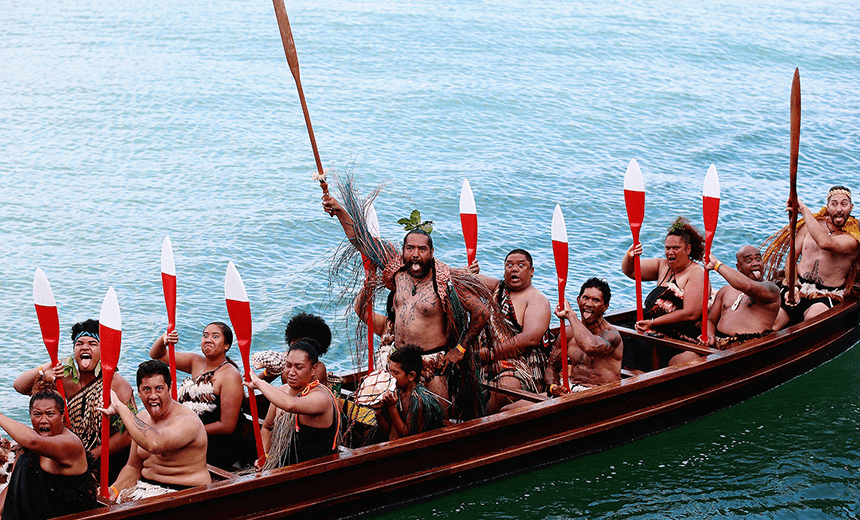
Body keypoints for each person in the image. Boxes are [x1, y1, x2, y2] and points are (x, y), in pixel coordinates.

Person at [323, 191, 506, 420]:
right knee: (390, 420)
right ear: (403, 251)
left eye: (422, 249)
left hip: (432, 366)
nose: (416, 254)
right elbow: (361, 239)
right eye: (410, 248)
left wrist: (460, 349)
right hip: (398, 364)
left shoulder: (446, 281)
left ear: (431, 253)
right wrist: (339, 209)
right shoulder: (396, 271)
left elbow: (481, 313)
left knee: (439, 421)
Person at [12, 319, 135, 482]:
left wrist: (89, 456)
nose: (85, 347)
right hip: (68, 451)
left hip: (104, 458)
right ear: (74, 351)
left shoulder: (116, 383)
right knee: (24, 452)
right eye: (79, 344)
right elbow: (20, 386)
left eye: (92, 343)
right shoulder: (64, 378)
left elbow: (127, 435)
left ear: (103, 350)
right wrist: (49, 365)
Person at [100, 360, 210, 503]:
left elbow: (155, 444)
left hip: (186, 494)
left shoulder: (187, 421)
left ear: (169, 389)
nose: (153, 396)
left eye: (159, 389)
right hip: (146, 488)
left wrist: (121, 408)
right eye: (147, 389)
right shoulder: (141, 418)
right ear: (139, 392)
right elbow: (133, 467)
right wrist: (114, 490)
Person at [150, 322, 245, 471]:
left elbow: (227, 426)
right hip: (190, 435)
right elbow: (157, 355)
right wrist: (164, 339)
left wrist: (188, 432)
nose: (208, 340)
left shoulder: (230, 375)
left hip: (216, 444)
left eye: (215, 336)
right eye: (205, 336)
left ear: (226, 345)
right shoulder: (195, 361)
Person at [764, 186, 860, 329]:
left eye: (844, 204)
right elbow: (791, 258)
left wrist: (803, 209)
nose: (839, 209)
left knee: (811, 323)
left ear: (851, 207)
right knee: (771, 324)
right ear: (827, 206)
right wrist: (792, 287)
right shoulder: (811, 224)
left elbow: (825, 243)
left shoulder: (853, 239)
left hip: (826, 295)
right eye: (834, 204)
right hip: (797, 286)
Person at [0, 378, 97, 519]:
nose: (43, 420)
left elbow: (34, 441)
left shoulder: (71, 444)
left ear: (62, 416)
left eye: (50, 414)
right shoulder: (25, 448)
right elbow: (12, 489)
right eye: (37, 414)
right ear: (30, 415)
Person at [472, 249, 553, 413]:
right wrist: (470, 272)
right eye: (509, 265)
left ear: (531, 271)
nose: (514, 269)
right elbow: (465, 280)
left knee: (504, 389)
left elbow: (530, 340)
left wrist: (490, 354)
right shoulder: (498, 288)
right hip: (487, 358)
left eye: (521, 265)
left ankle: (480, 421)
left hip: (524, 364)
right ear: (504, 271)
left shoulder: (537, 299)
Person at [246, 341, 340, 469]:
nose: (291, 372)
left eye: (299, 367)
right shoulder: (282, 391)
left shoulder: (321, 397)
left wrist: (259, 382)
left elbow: (290, 405)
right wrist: (266, 457)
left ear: (314, 369)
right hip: (282, 467)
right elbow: (267, 428)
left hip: (315, 470)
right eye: (288, 365)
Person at [622, 217, 709, 342]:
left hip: (673, 336)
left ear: (688, 249)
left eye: (676, 248)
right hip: (647, 327)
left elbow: (691, 313)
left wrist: (653, 322)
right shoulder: (662, 265)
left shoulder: (696, 272)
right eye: (667, 248)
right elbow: (630, 271)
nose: (670, 252)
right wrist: (630, 254)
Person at [688, 246, 780, 355]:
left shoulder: (771, 290)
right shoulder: (725, 291)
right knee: (681, 359)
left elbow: (748, 286)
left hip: (748, 348)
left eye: (758, 259)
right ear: (739, 267)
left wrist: (717, 265)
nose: (755, 263)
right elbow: (711, 320)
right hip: (717, 344)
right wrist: (710, 335)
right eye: (749, 260)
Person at [545, 278, 622, 395]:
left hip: (601, 394)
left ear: (605, 306)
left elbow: (590, 347)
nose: (589, 304)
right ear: (578, 300)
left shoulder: (611, 335)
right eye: (585, 298)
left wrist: (571, 315)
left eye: (596, 300)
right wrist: (553, 387)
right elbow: (551, 366)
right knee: (516, 405)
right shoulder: (568, 332)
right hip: (571, 390)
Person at [372, 345, 444, 441]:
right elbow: (388, 433)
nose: (390, 376)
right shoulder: (396, 394)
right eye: (389, 371)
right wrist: (377, 411)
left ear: (411, 376)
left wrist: (391, 408)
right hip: (393, 445)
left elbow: (407, 436)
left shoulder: (419, 399)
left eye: (395, 373)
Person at [257, 313, 332, 385]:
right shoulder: (287, 359)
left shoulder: (318, 368)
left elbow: (304, 393)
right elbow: (258, 381)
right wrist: (269, 370)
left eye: (299, 367)